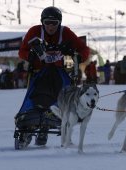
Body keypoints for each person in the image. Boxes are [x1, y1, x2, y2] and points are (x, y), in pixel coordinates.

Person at [17, 6, 90, 146]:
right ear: (42, 22)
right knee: (37, 97)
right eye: (47, 22)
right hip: (39, 72)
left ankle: (46, 127)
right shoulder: (34, 31)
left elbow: (83, 49)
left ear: (59, 23)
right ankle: (30, 126)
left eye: (54, 23)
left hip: (58, 71)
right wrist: (30, 55)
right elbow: (22, 51)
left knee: (61, 96)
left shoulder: (65, 32)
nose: (51, 26)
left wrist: (79, 56)